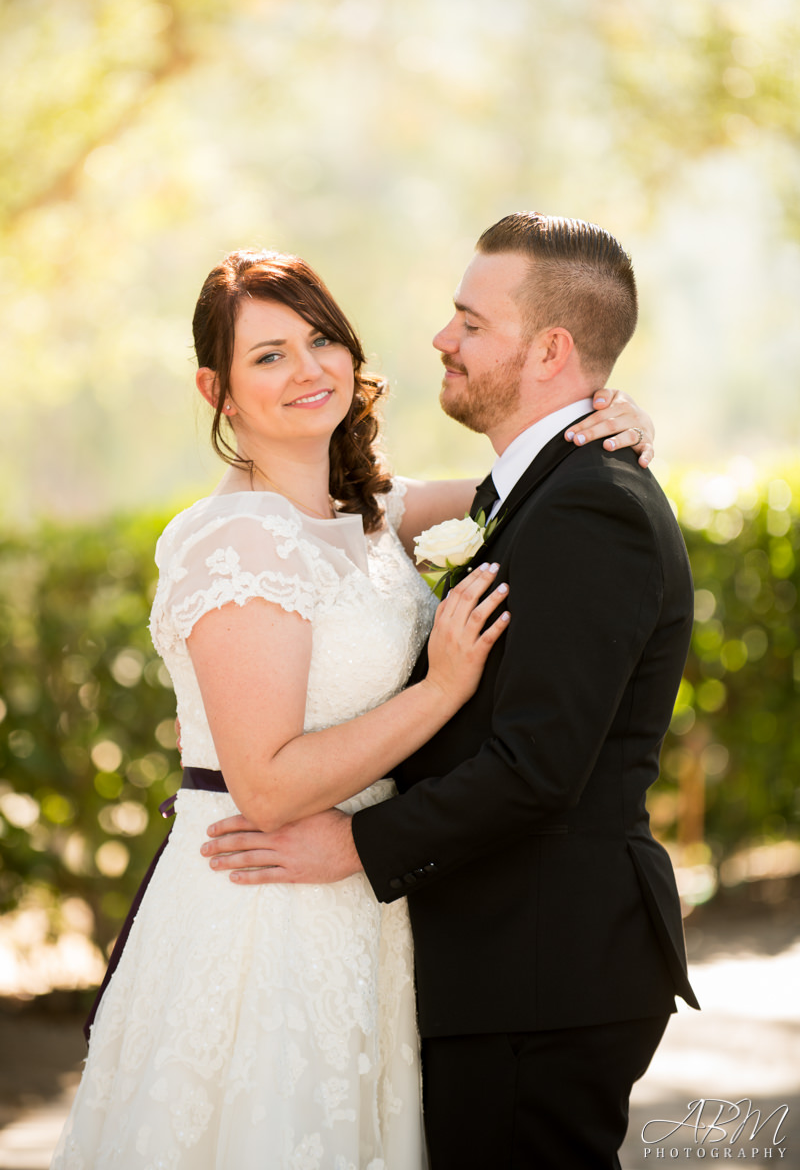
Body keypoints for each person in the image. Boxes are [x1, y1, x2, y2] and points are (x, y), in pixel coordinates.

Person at [53, 247, 652, 1170]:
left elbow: (531, 494)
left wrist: (612, 418)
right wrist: (442, 689)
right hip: (267, 910)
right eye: (269, 355)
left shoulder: (372, 512)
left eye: (322, 339)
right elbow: (267, 785)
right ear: (216, 391)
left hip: (369, 903)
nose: (310, 369)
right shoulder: (237, 541)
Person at [202, 214, 700, 1169]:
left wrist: (353, 843)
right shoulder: (522, 494)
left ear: (550, 350)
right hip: (474, 958)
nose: (441, 338)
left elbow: (537, 768)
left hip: (538, 967)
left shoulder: (592, 502)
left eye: (471, 323)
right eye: (267, 355)